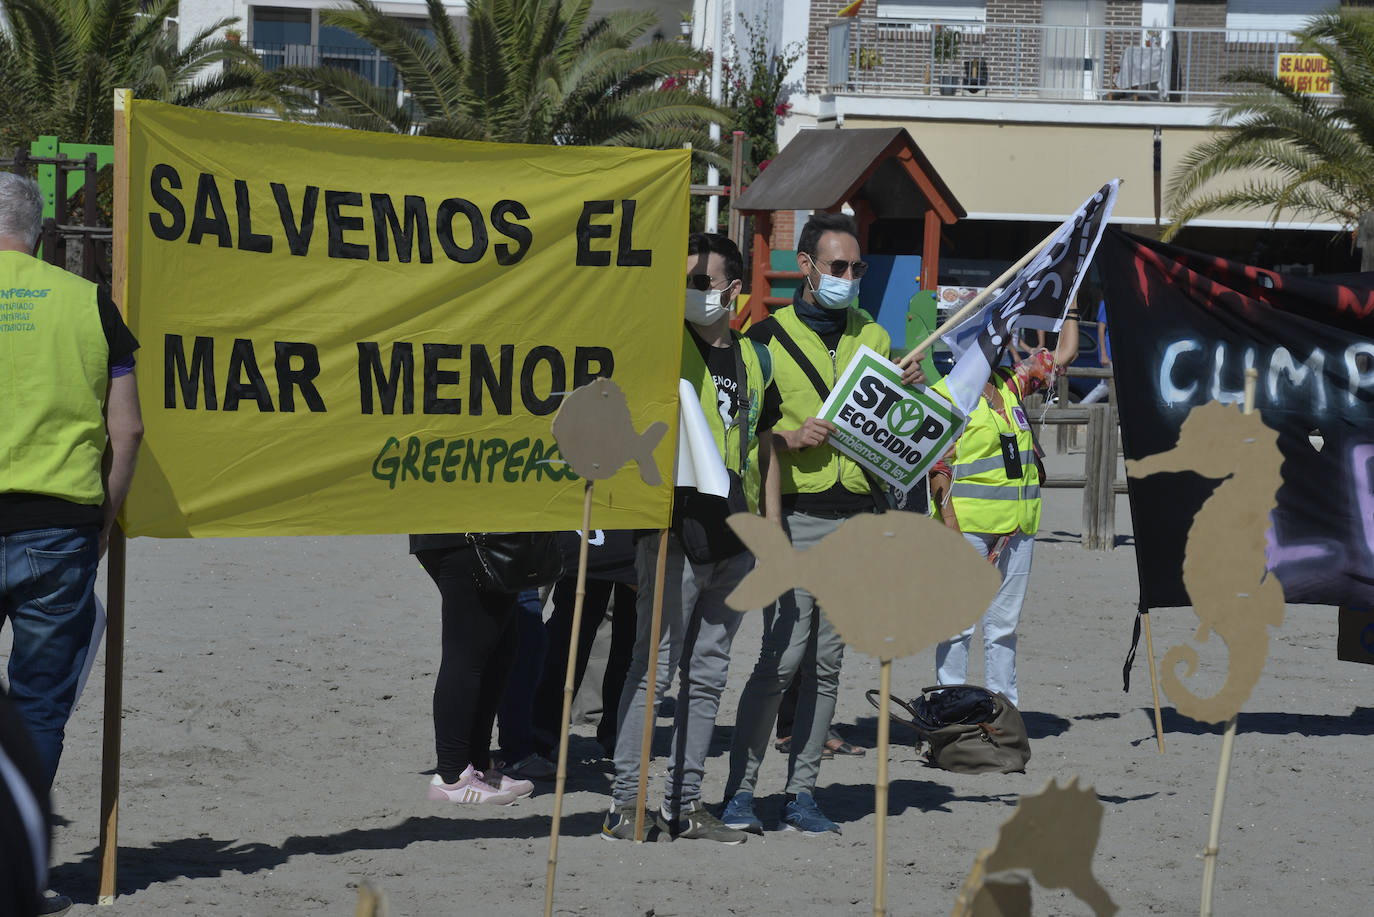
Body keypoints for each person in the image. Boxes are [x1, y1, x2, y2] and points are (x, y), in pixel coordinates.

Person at [721, 212, 924, 837]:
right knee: (780, 662)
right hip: (795, 517)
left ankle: (801, 794)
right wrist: (787, 437)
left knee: (828, 666)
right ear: (806, 266)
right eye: (838, 266)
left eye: (857, 268)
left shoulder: (875, 336)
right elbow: (741, 434)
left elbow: (894, 436)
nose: (849, 277)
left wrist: (909, 391)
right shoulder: (763, 338)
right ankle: (739, 793)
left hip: (857, 521)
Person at [600, 232, 781, 845]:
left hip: (735, 536)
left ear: (734, 290)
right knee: (652, 671)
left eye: (703, 282)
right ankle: (627, 805)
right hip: (673, 531)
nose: (692, 292)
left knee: (708, 675)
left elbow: (764, 444)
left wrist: (771, 526)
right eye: (685, 282)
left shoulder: (757, 358)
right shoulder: (662, 346)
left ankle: (685, 805)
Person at [0, 171, 143, 916]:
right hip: (57, 524)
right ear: (41, 232)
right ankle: (15, 865)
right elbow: (129, 429)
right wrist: (104, 520)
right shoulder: (88, 302)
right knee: (37, 704)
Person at [928, 313, 1079, 706]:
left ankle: (1003, 710)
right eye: (994, 337)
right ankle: (950, 708)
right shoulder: (947, 395)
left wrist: (1073, 304)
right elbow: (938, 468)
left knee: (1004, 627)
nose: (1003, 344)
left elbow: (1064, 354)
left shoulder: (1009, 384)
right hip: (966, 531)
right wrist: (950, 529)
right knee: (958, 626)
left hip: (1017, 528)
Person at [411, 533, 536, 806]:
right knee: (467, 653)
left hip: (478, 535)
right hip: (465, 537)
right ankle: (452, 776)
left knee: (499, 653)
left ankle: (478, 765)